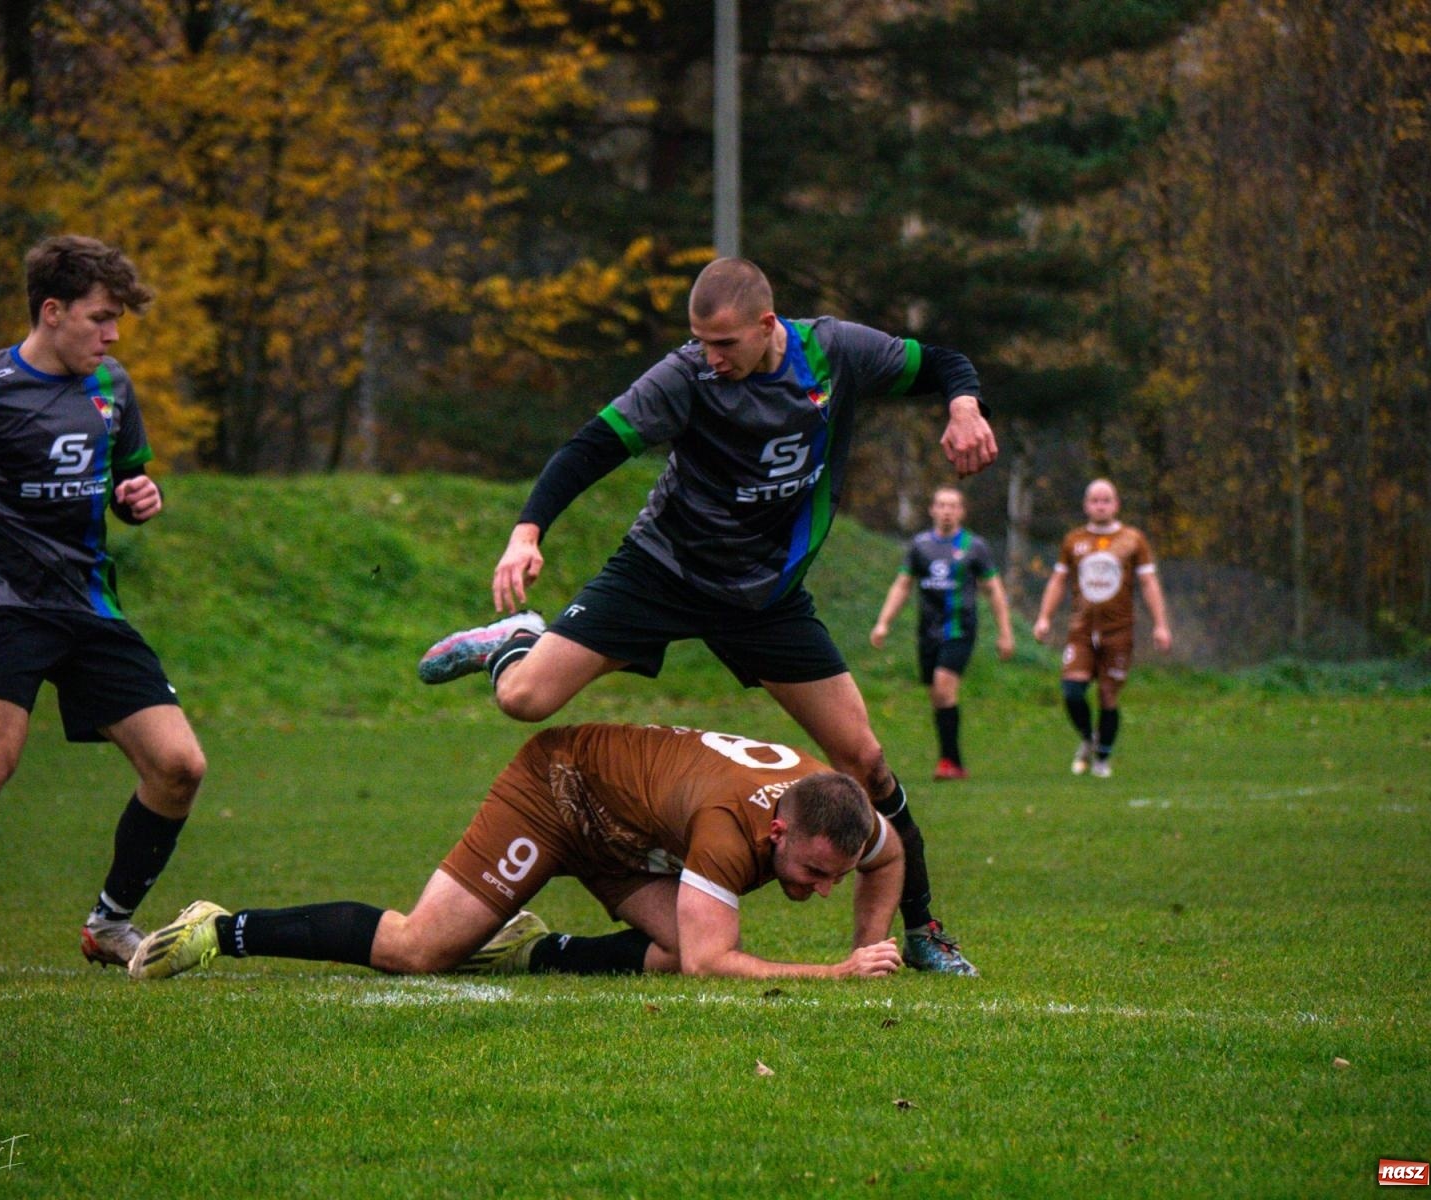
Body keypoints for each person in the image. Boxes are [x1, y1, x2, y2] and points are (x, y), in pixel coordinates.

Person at [416, 257, 995, 975]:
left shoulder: (834, 350)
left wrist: (963, 405)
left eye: (724, 345)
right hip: (666, 570)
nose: (709, 357)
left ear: (766, 324)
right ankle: (515, 642)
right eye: (699, 342)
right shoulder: (685, 377)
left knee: (865, 759)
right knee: (524, 698)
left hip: (766, 597)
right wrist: (528, 530)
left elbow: (941, 361)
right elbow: (591, 446)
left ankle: (924, 930)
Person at [130, 722, 905, 982]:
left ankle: (529, 951)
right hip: (559, 789)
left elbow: (890, 854)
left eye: (832, 873)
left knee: (676, 948)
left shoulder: (837, 810)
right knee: (419, 949)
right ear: (778, 834)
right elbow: (715, 966)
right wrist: (839, 973)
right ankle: (220, 929)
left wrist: (871, 944)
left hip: (629, 828)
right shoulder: (728, 828)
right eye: (810, 873)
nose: (822, 887)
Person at [0, 235, 207, 967]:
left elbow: (129, 485)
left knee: (180, 766)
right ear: (51, 312)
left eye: (117, 319)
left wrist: (139, 497)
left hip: (90, 607)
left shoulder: (113, 386)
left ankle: (110, 922)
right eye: (100, 318)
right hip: (7, 605)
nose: (113, 334)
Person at [870, 485, 1013, 780]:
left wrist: (1005, 632)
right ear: (932, 510)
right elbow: (902, 585)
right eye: (941, 505)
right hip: (928, 633)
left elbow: (994, 590)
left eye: (953, 506)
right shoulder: (920, 545)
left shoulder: (975, 546)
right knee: (938, 695)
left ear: (962, 511)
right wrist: (883, 622)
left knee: (944, 687)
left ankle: (947, 762)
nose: (947, 511)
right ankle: (954, 762)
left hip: (960, 629)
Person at [1031, 478, 1172, 778]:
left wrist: (1161, 624)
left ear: (1116, 504)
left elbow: (1148, 582)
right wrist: (1044, 617)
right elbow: (1058, 580)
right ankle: (1088, 737)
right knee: (1072, 690)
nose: (1100, 505)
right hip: (1081, 630)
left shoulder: (1133, 540)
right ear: (1086, 505)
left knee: (1108, 696)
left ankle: (1101, 760)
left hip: (1118, 631)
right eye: (1095, 500)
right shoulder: (1074, 541)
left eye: (1106, 500)